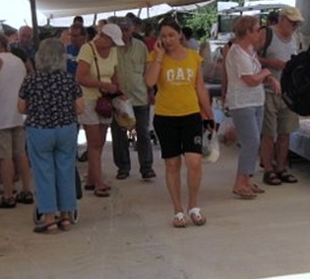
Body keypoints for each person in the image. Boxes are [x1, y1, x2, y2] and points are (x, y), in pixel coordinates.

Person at [145, 19, 215, 228]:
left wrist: (209, 115)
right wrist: (158, 57)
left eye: (171, 35)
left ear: (179, 36)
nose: (167, 40)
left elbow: (200, 87)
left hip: (191, 114)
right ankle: (177, 210)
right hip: (165, 117)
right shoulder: (156, 57)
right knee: (172, 164)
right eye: (164, 36)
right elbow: (149, 82)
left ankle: (194, 206)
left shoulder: (194, 57)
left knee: (194, 162)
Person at [19, 39, 84, 234]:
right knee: (65, 170)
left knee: (43, 173)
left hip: (39, 130)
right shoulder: (68, 79)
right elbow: (80, 108)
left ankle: (49, 218)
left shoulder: (31, 80)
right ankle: (66, 215)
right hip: (65, 129)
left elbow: (21, 107)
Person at [225, 16, 277, 199]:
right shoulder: (237, 52)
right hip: (242, 102)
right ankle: (240, 182)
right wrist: (266, 73)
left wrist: (268, 77)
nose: (259, 34)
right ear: (247, 32)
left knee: (253, 141)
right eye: (256, 30)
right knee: (251, 142)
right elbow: (251, 79)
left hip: (255, 101)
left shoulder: (250, 51)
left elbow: (257, 72)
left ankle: (246, 179)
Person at [0, 31, 32, 209]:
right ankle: (27, 190)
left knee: (5, 157)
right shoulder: (18, 61)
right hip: (18, 114)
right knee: (21, 154)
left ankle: (8, 194)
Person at [76, 22, 124, 197]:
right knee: (94, 142)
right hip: (89, 99)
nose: (112, 46)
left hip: (106, 100)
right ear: (103, 37)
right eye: (111, 41)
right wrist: (103, 85)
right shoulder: (87, 49)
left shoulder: (113, 51)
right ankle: (98, 182)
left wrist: (119, 91)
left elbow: (115, 74)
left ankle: (91, 178)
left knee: (100, 141)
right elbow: (80, 77)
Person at [258, 5, 303, 186]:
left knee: (285, 132)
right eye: (292, 23)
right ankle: (268, 169)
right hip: (269, 90)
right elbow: (253, 57)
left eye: (297, 24)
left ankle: (281, 168)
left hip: (289, 92)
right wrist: (273, 63)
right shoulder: (267, 34)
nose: (294, 27)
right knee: (269, 133)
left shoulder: (296, 38)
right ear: (282, 19)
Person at [111, 18, 155, 180]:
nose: (124, 33)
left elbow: (147, 70)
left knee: (143, 132)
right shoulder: (111, 48)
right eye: (121, 30)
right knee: (119, 134)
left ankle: (147, 167)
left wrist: (150, 91)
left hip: (139, 96)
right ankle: (123, 167)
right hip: (118, 98)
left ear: (131, 30)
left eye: (126, 30)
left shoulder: (140, 46)